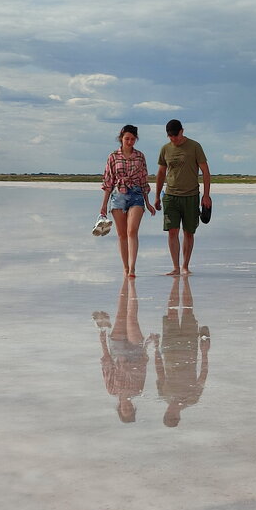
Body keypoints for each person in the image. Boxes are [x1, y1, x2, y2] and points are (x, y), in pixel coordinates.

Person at [153, 119, 211, 276]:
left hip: (191, 196)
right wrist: (157, 196)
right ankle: (175, 267)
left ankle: (185, 265)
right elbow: (161, 173)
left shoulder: (195, 146)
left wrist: (206, 195)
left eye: (176, 136)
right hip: (171, 196)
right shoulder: (165, 149)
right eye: (170, 137)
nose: (174, 140)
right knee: (172, 231)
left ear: (182, 131)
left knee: (188, 232)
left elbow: (205, 171)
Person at [100, 125, 156, 277]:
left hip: (136, 194)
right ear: (121, 138)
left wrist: (148, 202)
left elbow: (144, 180)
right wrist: (104, 205)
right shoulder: (113, 156)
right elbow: (108, 182)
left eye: (132, 139)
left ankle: (132, 268)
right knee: (122, 234)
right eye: (127, 139)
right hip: (117, 196)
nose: (130, 142)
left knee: (132, 231)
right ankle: (125, 268)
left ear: (136, 139)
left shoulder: (140, 156)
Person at [153, 276, 209, 427]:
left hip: (169, 348)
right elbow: (203, 375)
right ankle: (185, 281)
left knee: (171, 312)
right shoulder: (192, 399)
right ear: (178, 416)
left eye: (168, 414)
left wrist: (156, 349)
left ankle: (177, 281)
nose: (171, 412)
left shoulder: (163, 394)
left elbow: (159, 371)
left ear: (165, 412)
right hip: (189, 348)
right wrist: (204, 353)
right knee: (188, 311)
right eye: (173, 416)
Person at [94, 278, 150, 423]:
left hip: (118, 351)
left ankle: (126, 279)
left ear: (120, 409)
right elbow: (143, 366)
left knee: (121, 311)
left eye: (126, 410)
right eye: (131, 410)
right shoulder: (138, 390)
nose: (128, 408)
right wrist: (147, 345)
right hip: (134, 351)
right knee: (131, 316)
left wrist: (102, 341)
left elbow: (107, 365)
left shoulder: (112, 390)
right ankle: (132, 283)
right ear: (133, 408)